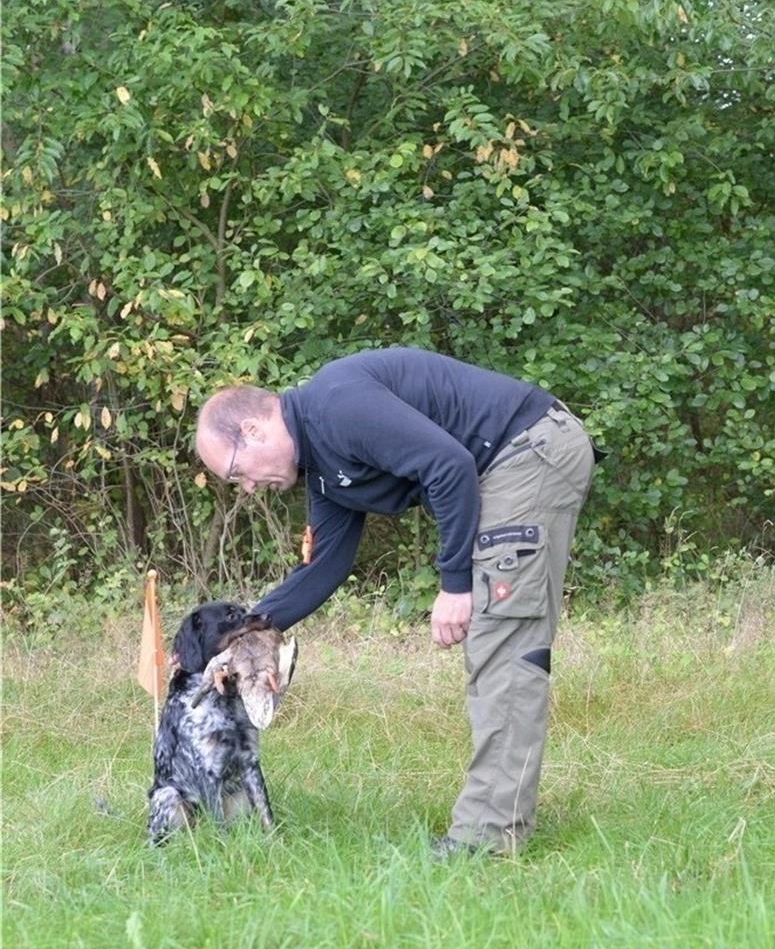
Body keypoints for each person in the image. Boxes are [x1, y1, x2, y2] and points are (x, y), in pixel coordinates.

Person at [195, 346, 597, 858]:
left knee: (503, 642)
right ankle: (496, 823)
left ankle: (488, 838)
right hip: (510, 462)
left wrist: (455, 584)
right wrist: (238, 633)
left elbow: (449, 467)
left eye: (237, 473)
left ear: (253, 430)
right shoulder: (321, 463)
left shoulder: (337, 407)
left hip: (526, 452)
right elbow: (326, 565)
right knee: (497, 642)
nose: (247, 489)